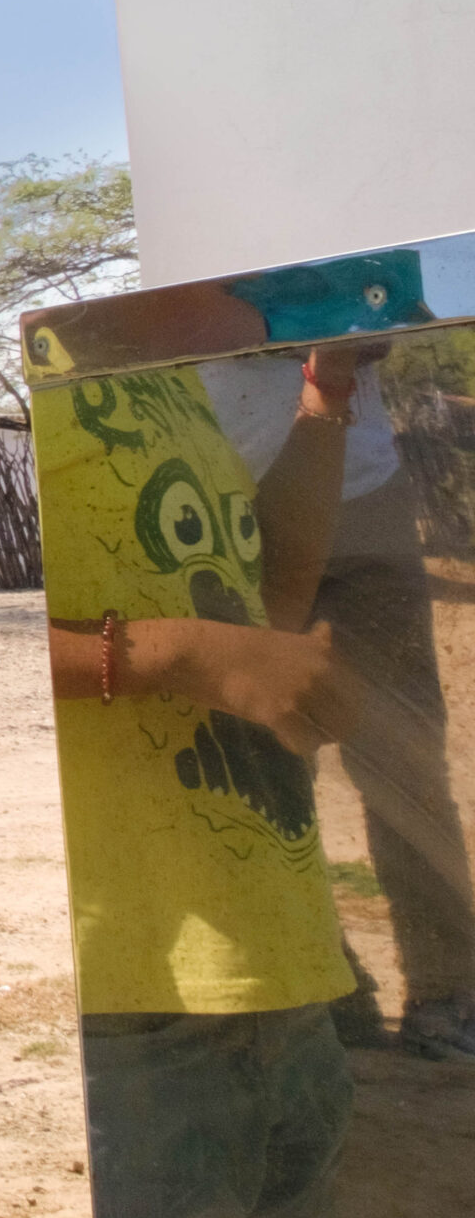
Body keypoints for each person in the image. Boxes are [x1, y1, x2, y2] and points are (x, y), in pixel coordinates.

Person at [29, 300, 360, 1218]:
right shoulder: (34, 366)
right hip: (142, 991)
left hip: (282, 967)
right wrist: (177, 656)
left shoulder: (162, 377)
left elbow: (269, 596)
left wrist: (328, 394)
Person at [203, 349, 475, 1064]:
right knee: (260, 766)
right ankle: (332, 986)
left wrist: (348, 343)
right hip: (223, 503)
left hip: (360, 495)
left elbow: (383, 317)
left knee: (406, 757)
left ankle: (446, 997)